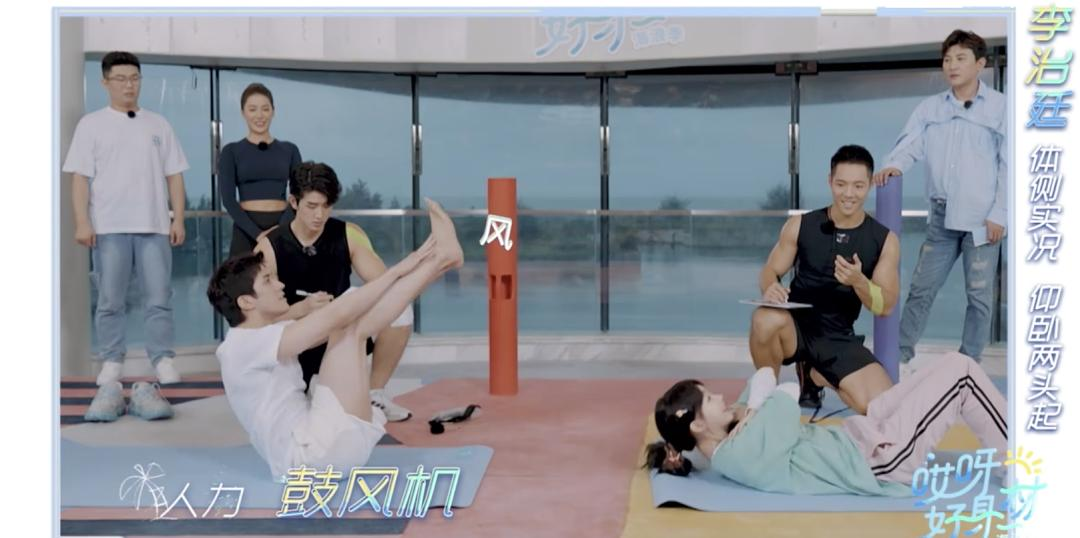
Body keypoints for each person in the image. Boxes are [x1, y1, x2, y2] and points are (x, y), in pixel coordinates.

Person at [207, 199, 463, 480]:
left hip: (320, 447)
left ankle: (442, 260)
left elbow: (342, 319)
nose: (279, 284)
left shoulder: (261, 336)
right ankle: (440, 260)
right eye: (268, 281)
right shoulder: (241, 346)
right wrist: (400, 269)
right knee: (348, 326)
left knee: (350, 325)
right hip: (311, 458)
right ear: (246, 302)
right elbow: (337, 316)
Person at [645, 352, 1007, 496]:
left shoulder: (733, 431)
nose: (721, 398)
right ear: (696, 426)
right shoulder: (738, 453)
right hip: (881, 461)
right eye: (710, 400)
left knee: (947, 364)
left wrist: (752, 409)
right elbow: (787, 389)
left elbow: (765, 373)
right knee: (962, 372)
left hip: (862, 436)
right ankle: (1020, 461)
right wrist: (753, 409)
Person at [873, 29, 1007, 365]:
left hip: (982, 220)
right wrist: (893, 167)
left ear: (980, 64)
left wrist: (1000, 214)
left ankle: (968, 364)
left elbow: (1011, 165)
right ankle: (897, 358)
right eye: (947, 59)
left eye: (961, 58)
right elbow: (908, 146)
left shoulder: (1002, 108)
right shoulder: (930, 108)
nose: (952, 65)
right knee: (921, 289)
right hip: (942, 217)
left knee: (979, 297)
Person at [63, 51, 188, 391]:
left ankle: (162, 359)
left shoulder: (159, 124)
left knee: (159, 297)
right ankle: (112, 360)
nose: (129, 85)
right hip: (109, 226)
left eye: (134, 78)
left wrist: (178, 218)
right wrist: (82, 222)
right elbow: (80, 178)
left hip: (155, 226)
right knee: (110, 300)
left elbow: (175, 175)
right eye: (120, 79)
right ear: (105, 82)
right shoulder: (91, 125)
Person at [254, 162, 417, 421]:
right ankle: (313, 385)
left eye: (326, 206)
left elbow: (385, 286)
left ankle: (374, 393)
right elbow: (256, 320)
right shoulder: (268, 246)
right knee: (311, 411)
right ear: (294, 202)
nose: (319, 215)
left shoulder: (348, 234)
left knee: (399, 309)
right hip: (296, 336)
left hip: (339, 330)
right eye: (312, 206)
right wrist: (302, 309)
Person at [748, 145, 898, 414]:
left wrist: (859, 281)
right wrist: (770, 286)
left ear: (869, 186)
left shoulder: (884, 240)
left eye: (858, 186)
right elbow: (770, 270)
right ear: (830, 182)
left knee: (882, 408)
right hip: (794, 327)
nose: (849, 194)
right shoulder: (800, 225)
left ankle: (816, 375)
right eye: (841, 184)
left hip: (837, 336)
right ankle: (766, 400)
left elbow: (885, 306)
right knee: (764, 318)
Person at [219, 83, 302, 256]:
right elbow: (228, 200)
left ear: (273, 111)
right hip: (245, 229)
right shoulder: (231, 151)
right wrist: (258, 235)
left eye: (265, 109)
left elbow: (299, 194)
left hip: (283, 227)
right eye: (252, 109)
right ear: (243, 113)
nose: (259, 115)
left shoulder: (290, 150)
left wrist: (278, 231)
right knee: (242, 273)